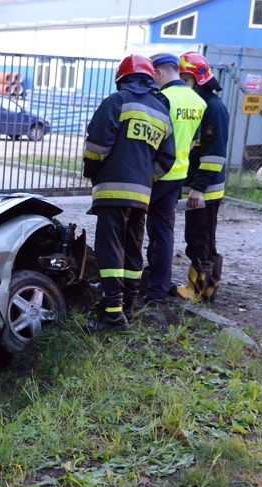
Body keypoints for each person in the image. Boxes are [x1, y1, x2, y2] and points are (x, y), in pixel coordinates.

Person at [82, 54, 175, 332]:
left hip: (112, 191)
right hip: (142, 196)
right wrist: (146, 179)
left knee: (110, 251)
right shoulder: (161, 110)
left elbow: (96, 146)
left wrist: (93, 172)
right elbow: (167, 159)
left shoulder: (116, 101)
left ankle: (111, 315)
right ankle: (128, 308)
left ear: (121, 79)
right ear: (150, 78)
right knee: (133, 249)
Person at [143, 53, 206, 308]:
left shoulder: (163, 98)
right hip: (178, 174)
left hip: (157, 172)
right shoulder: (198, 101)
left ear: (157, 73)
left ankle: (130, 281)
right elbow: (193, 142)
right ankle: (157, 287)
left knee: (134, 226)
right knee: (163, 230)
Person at [175, 51, 230, 302]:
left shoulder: (213, 107)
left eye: (185, 79)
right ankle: (207, 288)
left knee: (201, 239)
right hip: (199, 184)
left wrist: (198, 188)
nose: (181, 84)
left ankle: (197, 290)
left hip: (206, 188)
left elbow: (214, 154)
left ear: (198, 79)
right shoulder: (199, 104)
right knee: (201, 237)